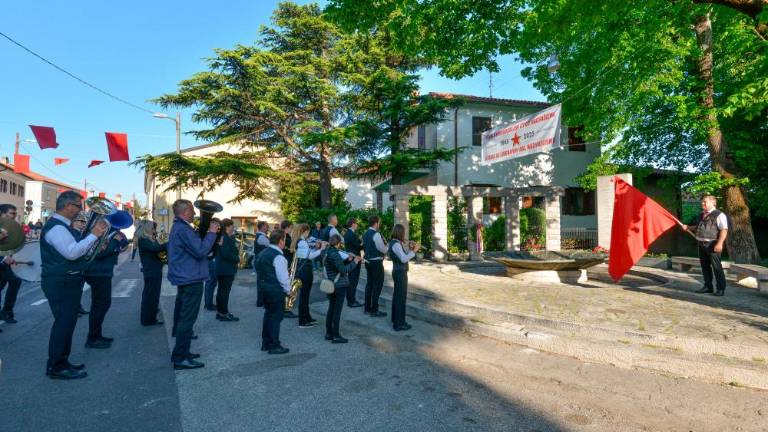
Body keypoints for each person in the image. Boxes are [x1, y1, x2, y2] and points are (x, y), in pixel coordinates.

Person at [40, 190, 107, 379]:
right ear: (68, 206)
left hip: (67, 281)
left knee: (67, 324)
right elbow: (71, 253)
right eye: (79, 206)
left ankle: (61, 362)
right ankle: (57, 366)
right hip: (61, 282)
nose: (81, 210)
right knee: (63, 324)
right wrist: (93, 235)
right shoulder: (57, 228)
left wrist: (94, 241)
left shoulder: (63, 226)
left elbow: (76, 250)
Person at [167, 199, 219, 370]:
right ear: (185, 212)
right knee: (187, 319)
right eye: (192, 211)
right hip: (190, 278)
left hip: (187, 276)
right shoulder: (183, 229)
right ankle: (180, 358)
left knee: (185, 318)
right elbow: (201, 251)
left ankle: (183, 352)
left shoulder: (181, 227)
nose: (195, 213)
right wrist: (211, 233)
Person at [83, 226, 128, 349]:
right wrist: (115, 241)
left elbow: (119, 246)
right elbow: (99, 253)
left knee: (100, 305)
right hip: (98, 273)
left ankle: (96, 335)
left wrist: (120, 242)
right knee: (101, 305)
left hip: (102, 272)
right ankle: (92, 338)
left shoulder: (109, 233)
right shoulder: (99, 233)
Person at [683, 195, 729, 296]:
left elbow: (724, 230)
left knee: (717, 267)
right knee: (705, 267)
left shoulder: (719, 215)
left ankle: (720, 289)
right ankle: (708, 287)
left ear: (713, 203)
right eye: (702, 202)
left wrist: (720, 243)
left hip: (713, 244)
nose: (702, 203)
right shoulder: (701, 215)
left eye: (705, 202)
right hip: (701, 244)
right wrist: (688, 227)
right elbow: (698, 227)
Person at [255, 229, 291, 354]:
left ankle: (266, 343)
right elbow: (283, 279)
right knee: (276, 318)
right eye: (284, 240)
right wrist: (289, 291)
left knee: (268, 315)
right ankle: (274, 345)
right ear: (281, 241)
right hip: (275, 290)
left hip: (263, 288)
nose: (285, 242)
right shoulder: (279, 257)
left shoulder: (263, 253)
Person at [324, 234, 362, 343]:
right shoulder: (335, 254)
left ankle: (329, 333)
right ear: (338, 243)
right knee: (337, 311)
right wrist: (354, 262)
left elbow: (337, 266)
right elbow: (344, 270)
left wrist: (347, 260)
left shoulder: (328, 252)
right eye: (340, 243)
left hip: (332, 283)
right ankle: (336, 335)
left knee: (331, 308)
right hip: (339, 285)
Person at [291, 223, 326, 328]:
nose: (309, 234)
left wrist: (316, 248)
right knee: (304, 296)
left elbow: (307, 253)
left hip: (304, 270)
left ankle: (307, 317)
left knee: (305, 296)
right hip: (305, 271)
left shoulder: (300, 241)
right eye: (308, 232)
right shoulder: (302, 242)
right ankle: (302, 321)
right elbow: (309, 256)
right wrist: (321, 249)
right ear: (305, 231)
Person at [388, 224, 419, 331]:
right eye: (403, 232)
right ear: (400, 233)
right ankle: (399, 324)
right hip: (400, 273)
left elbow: (403, 256)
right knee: (400, 298)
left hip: (398, 271)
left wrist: (410, 249)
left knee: (398, 297)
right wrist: (414, 251)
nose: (404, 234)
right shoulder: (396, 244)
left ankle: (396, 320)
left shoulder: (395, 243)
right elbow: (404, 259)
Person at [137, 220, 166, 326]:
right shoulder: (144, 240)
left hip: (155, 271)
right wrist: (167, 241)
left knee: (153, 296)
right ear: (147, 229)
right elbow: (156, 248)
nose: (154, 230)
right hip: (151, 271)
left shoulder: (148, 239)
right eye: (153, 228)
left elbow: (159, 251)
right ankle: (148, 320)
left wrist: (165, 260)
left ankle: (150, 317)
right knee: (150, 296)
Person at [0, 204, 23, 324]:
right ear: (2, 214)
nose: (14, 216)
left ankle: (7, 311)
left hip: (6, 263)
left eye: (15, 213)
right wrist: (3, 258)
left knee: (15, 281)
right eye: (12, 213)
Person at [215, 219, 240, 322]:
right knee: (224, 292)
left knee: (222, 291)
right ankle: (223, 313)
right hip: (226, 269)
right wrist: (237, 258)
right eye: (232, 226)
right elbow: (225, 254)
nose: (233, 228)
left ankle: (220, 312)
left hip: (224, 269)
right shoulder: (224, 237)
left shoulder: (227, 237)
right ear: (227, 226)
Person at [363, 215, 388, 317]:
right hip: (376, 263)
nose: (379, 225)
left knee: (369, 284)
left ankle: (367, 308)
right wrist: (387, 245)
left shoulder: (365, 233)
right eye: (379, 223)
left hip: (368, 261)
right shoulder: (376, 234)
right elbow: (383, 249)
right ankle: (374, 310)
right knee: (377, 285)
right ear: (376, 223)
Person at [70, 213, 90, 317]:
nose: (84, 224)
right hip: (74, 266)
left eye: (85, 222)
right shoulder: (72, 233)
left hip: (80, 265)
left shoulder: (80, 233)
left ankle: (78, 307)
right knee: (73, 291)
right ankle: (73, 309)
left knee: (79, 289)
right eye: (81, 221)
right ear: (74, 222)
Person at [342, 217, 364, 308]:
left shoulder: (347, 233)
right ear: (353, 224)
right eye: (356, 223)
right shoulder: (352, 234)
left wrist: (359, 240)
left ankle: (350, 299)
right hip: (355, 259)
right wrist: (363, 243)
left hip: (349, 258)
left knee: (351, 279)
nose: (357, 225)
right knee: (353, 280)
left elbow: (353, 244)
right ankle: (351, 301)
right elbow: (358, 247)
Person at [203, 217, 222, 311]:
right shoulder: (211, 235)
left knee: (211, 283)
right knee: (210, 283)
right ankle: (208, 304)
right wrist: (218, 244)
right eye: (217, 224)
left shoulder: (213, 234)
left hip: (211, 261)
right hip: (211, 261)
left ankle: (208, 303)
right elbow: (208, 250)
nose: (218, 226)